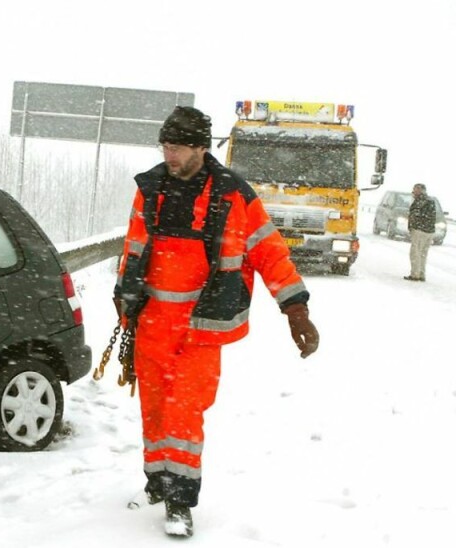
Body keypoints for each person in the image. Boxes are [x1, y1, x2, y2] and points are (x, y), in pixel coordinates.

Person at [112, 106, 319, 538]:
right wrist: (124, 296)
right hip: (152, 322)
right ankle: (158, 480)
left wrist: (295, 308)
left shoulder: (233, 196)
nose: (169, 155)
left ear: (200, 148)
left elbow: (270, 251)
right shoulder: (150, 189)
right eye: (165, 146)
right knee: (153, 410)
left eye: (177, 147)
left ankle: (180, 500)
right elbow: (135, 246)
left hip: (201, 327)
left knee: (183, 412)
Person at [404, 183, 436, 282]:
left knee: (415, 252)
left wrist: (412, 226)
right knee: (423, 253)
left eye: (415, 189)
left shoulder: (420, 201)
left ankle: (415, 274)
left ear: (420, 190)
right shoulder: (430, 201)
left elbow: (415, 215)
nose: (413, 191)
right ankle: (421, 273)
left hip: (419, 230)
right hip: (429, 231)